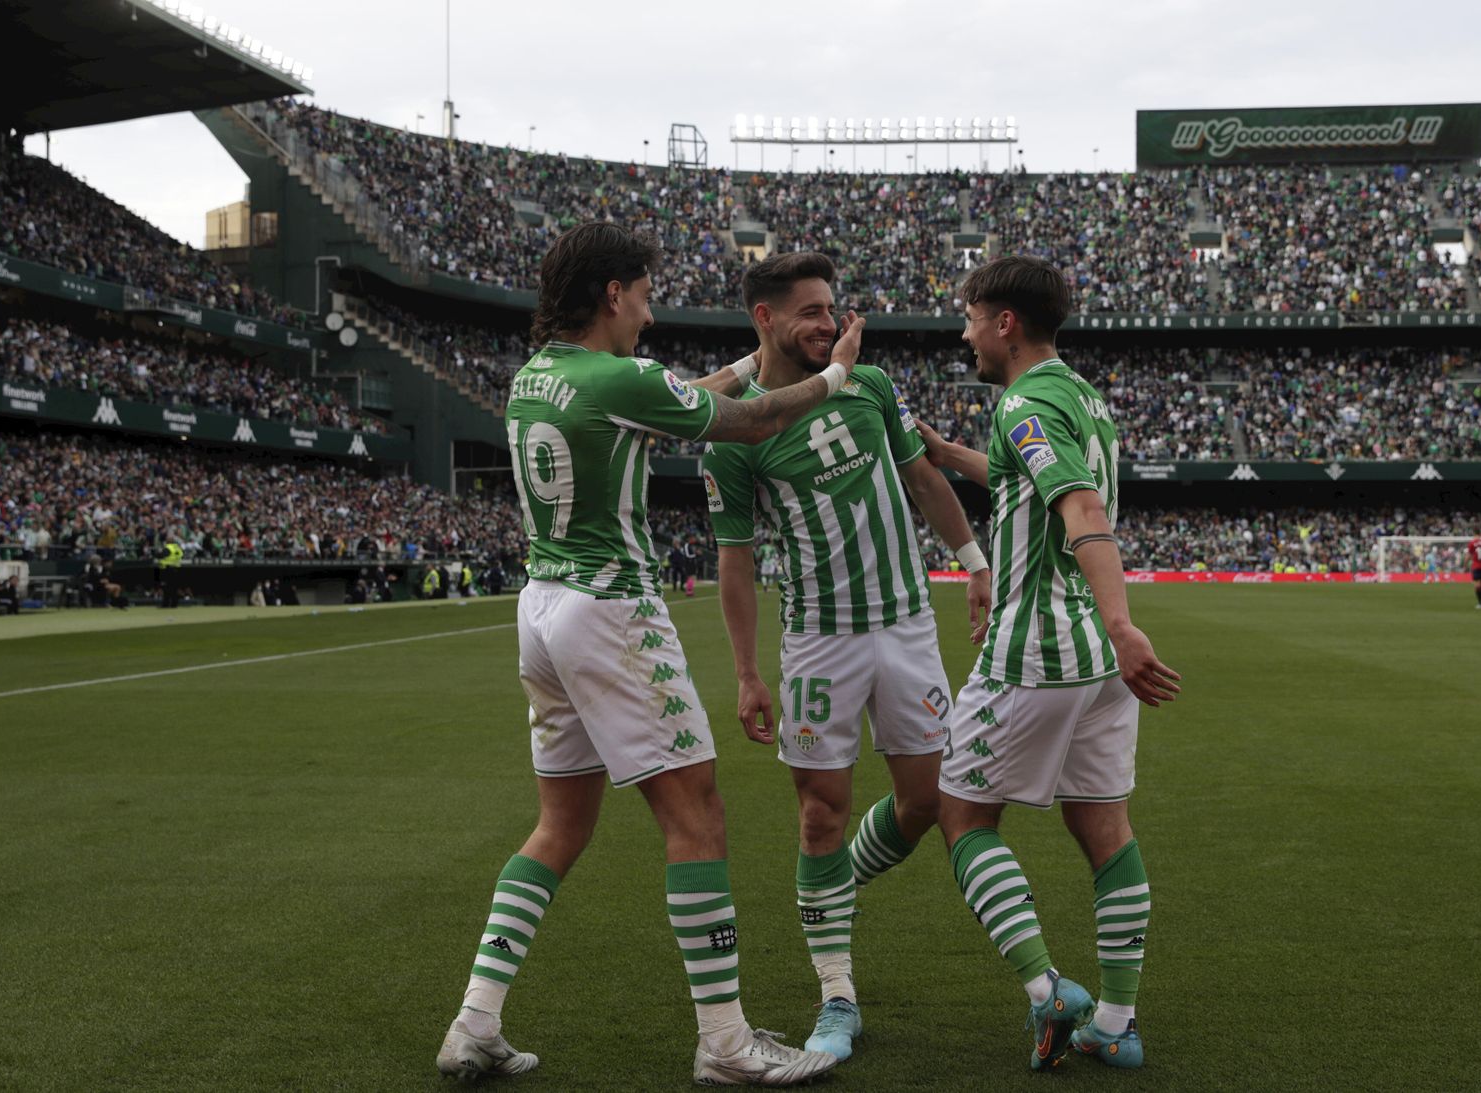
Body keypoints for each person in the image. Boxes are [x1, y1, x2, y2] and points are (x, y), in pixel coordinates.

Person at [436, 221, 862, 1086]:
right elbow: (742, 422)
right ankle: (726, 1043)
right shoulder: (622, 376)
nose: (650, 309)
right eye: (643, 293)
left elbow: (662, 400)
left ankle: (474, 1019)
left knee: (561, 823)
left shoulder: (537, 379)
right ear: (611, 295)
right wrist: (835, 375)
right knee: (696, 814)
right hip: (611, 607)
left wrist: (750, 356)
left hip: (541, 608)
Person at [702, 251, 992, 1061]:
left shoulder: (872, 385)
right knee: (820, 812)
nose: (828, 324)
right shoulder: (735, 428)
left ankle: (839, 882)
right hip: (820, 643)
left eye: (832, 308)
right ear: (764, 318)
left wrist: (974, 562)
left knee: (929, 801)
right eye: (809, 312)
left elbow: (925, 479)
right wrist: (749, 671)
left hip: (906, 628)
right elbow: (735, 560)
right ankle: (837, 992)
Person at [915, 256, 1180, 1073]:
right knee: (1105, 829)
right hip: (1100, 669)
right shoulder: (1082, 399)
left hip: (1036, 650)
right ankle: (1115, 1021)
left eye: (969, 318)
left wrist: (1124, 620)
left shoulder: (1026, 401)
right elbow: (1020, 478)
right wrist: (938, 447)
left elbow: (1080, 507)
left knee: (961, 817)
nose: (963, 335)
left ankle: (1046, 990)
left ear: (1005, 323)